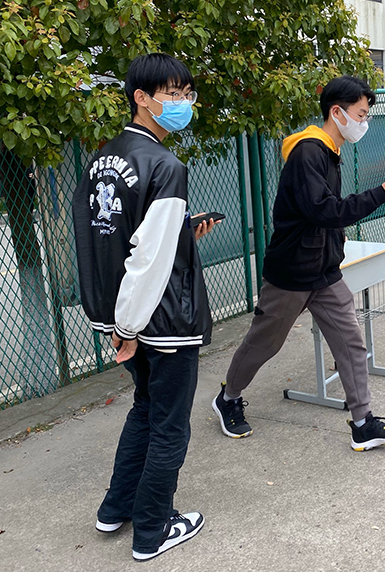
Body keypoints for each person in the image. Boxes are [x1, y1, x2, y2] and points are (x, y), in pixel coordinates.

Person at [211, 75, 385, 452]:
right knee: (264, 343)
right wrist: (380, 194)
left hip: (324, 271)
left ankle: (363, 423)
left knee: (351, 342)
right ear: (337, 112)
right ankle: (229, 397)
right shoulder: (308, 153)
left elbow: (322, 216)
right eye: (360, 115)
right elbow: (323, 210)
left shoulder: (329, 152)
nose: (364, 123)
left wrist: (336, 243)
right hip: (291, 273)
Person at [72, 53, 219, 561]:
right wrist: (130, 327)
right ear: (141, 98)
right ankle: (153, 529)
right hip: (159, 320)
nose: (183, 103)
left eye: (186, 94)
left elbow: (109, 239)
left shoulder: (101, 160)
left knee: (146, 408)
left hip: (119, 312)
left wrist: (115, 321)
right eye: (173, 94)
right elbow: (149, 260)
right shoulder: (164, 165)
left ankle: (116, 508)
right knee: (170, 425)